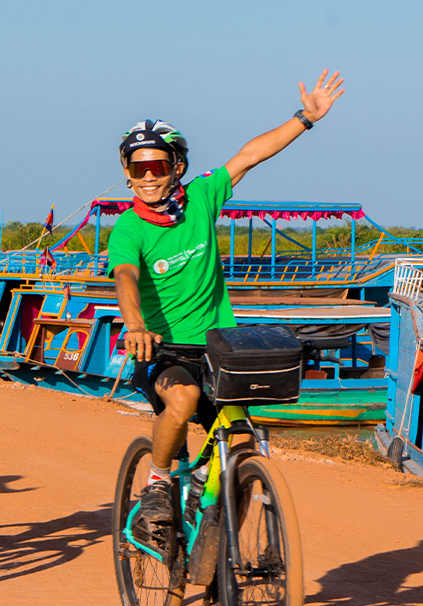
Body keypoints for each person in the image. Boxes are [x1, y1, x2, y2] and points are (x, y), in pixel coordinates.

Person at [108, 71, 345, 522]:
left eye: (158, 166)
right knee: (183, 401)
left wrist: (305, 119)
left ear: (177, 167)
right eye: (139, 168)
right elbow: (125, 277)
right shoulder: (129, 228)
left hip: (219, 347)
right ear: (128, 173)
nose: (149, 177)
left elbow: (250, 155)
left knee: (241, 443)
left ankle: (221, 558)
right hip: (164, 350)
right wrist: (135, 325)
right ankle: (157, 483)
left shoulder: (200, 197)